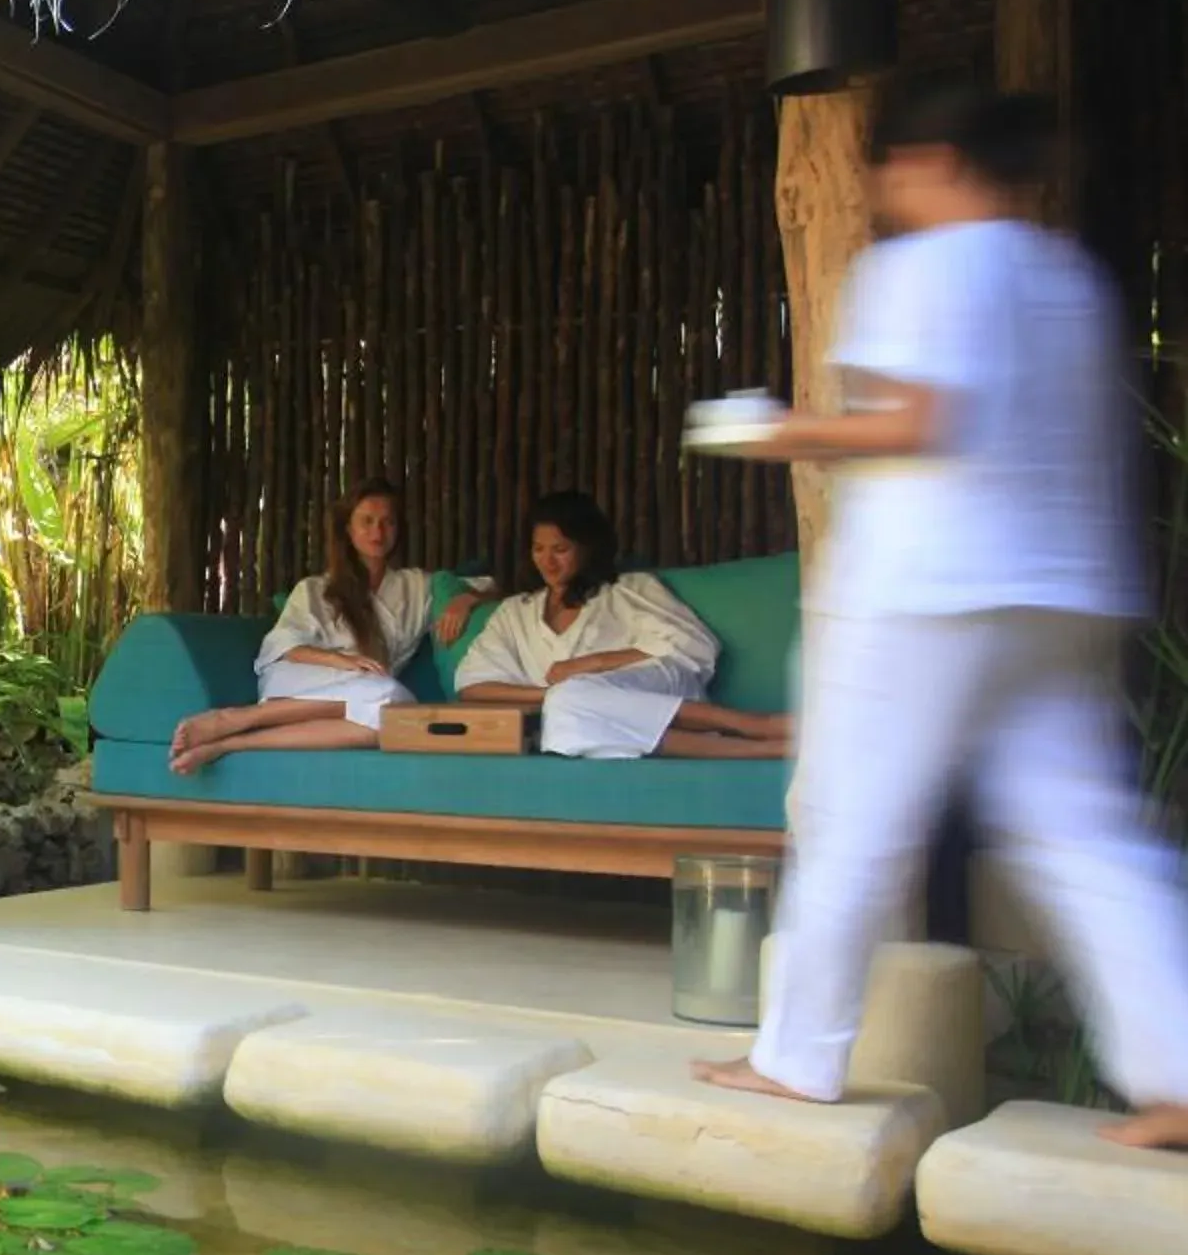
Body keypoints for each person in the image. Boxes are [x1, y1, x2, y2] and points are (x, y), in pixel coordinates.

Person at [691, 82, 1188, 1149]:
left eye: (892, 170)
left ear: (930, 164)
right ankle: (1178, 1066)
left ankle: (796, 1055)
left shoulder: (916, 268)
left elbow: (917, 421)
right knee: (1084, 834)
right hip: (1063, 589)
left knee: (848, 818)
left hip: (924, 591)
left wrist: (776, 433)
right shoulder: (1072, 281)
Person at [168, 480, 490, 775]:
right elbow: (283, 647)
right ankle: (240, 718)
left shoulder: (415, 586)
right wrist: (344, 662)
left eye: (387, 521)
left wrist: (465, 601)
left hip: (365, 697)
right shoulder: (315, 589)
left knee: (397, 714)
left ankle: (228, 743)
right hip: (297, 681)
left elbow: (490, 585)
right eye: (367, 521)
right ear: (348, 529)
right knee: (391, 696)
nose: (378, 530)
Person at [453, 491, 790, 759]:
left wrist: (593, 664)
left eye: (560, 549)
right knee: (571, 724)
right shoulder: (515, 612)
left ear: (588, 548)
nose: (547, 560)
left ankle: (753, 725)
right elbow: (474, 687)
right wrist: (557, 695)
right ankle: (766, 749)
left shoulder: (628, 590)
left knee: (571, 714)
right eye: (538, 549)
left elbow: (694, 647)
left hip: (653, 686)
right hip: (576, 716)